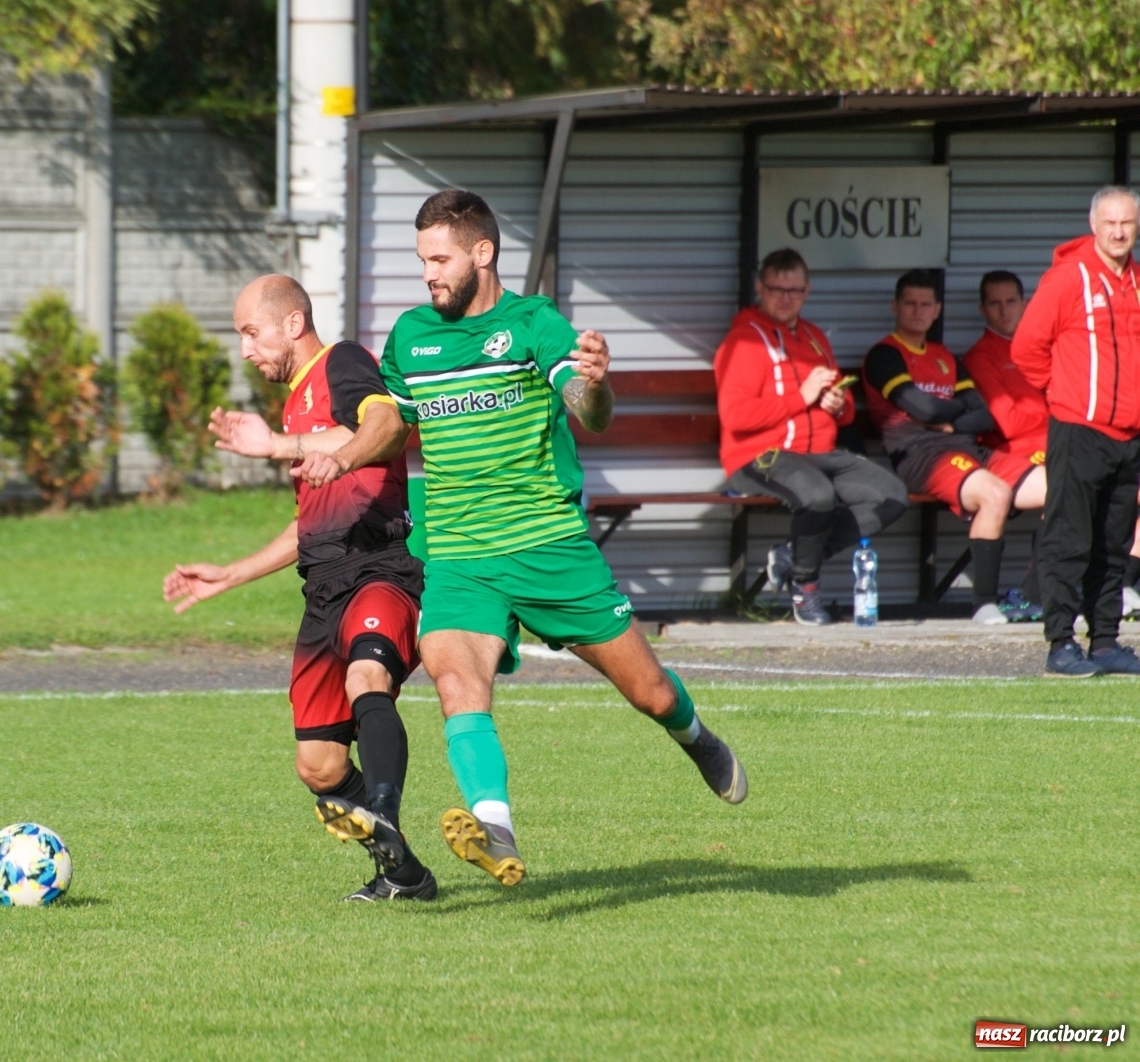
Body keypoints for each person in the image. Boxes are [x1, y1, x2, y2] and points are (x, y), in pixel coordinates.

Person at [296, 189, 747, 888]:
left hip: (549, 548)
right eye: (422, 261)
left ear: (484, 253)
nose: (429, 274)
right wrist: (345, 454)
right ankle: (495, 827)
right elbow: (389, 422)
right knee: (453, 675)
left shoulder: (535, 324)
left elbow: (587, 410)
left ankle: (697, 740)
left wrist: (595, 383)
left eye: (439, 259)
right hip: (457, 557)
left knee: (651, 693)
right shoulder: (414, 337)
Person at [163, 274, 437, 901]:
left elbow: (386, 425)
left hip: (378, 568)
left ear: (291, 323)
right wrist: (229, 574)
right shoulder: (293, 402)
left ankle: (386, 815)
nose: (244, 349)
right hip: (323, 590)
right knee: (319, 764)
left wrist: (279, 446)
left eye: (249, 332)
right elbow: (308, 523)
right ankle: (407, 876)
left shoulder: (342, 363)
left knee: (368, 678)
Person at [714, 247, 908, 625]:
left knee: (892, 496)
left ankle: (794, 555)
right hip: (758, 456)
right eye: (776, 290)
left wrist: (838, 405)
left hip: (820, 453)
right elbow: (736, 418)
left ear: (807, 291)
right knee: (818, 497)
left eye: (795, 291)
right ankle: (806, 587)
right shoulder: (743, 341)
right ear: (760, 288)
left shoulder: (814, 337)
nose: (786, 299)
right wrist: (799, 399)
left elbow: (846, 407)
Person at [1011, 186, 1140, 677]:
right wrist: (1064, 394)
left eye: (1126, 222)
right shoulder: (1068, 279)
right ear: (1094, 224)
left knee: (1114, 544)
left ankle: (1105, 641)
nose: (1118, 231)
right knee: (1068, 539)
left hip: (1129, 438)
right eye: (1110, 222)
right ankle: (1060, 644)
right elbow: (1026, 349)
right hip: (1078, 430)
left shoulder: (1135, 282)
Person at [862, 270, 1015, 625]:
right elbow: (923, 408)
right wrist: (945, 413)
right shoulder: (885, 355)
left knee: (1059, 486)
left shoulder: (943, 355)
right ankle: (984, 605)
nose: (918, 311)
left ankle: (1036, 597)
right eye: (910, 303)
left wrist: (945, 421)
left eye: (925, 304)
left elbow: (983, 417)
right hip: (921, 456)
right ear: (895, 307)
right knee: (995, 494)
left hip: (966, 448)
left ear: (937, 310)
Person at [960, 270, 1047, 623]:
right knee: (1067, 489)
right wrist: (1049, 415)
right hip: (1010, 458)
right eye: (994, 303)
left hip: (1053, 449)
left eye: (1011, 301)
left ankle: (1121, 585)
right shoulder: (980, 356)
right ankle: (1029, 595)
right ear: (982, 309)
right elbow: (1008, 423)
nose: (1004, 310)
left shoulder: (1040, 349)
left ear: (1024, 304)